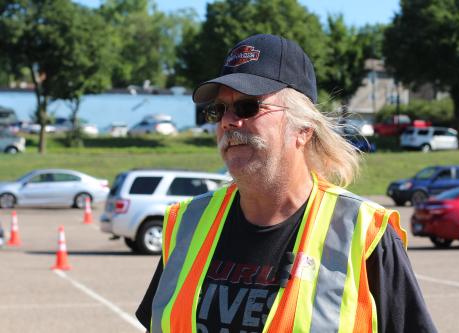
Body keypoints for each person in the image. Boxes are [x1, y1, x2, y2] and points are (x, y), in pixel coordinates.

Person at [136, 34, 437, 333]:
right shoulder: (186, 224)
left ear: (303, 128)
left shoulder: (365, 233)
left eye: (247, 107)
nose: (228, 121)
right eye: (218, 110)